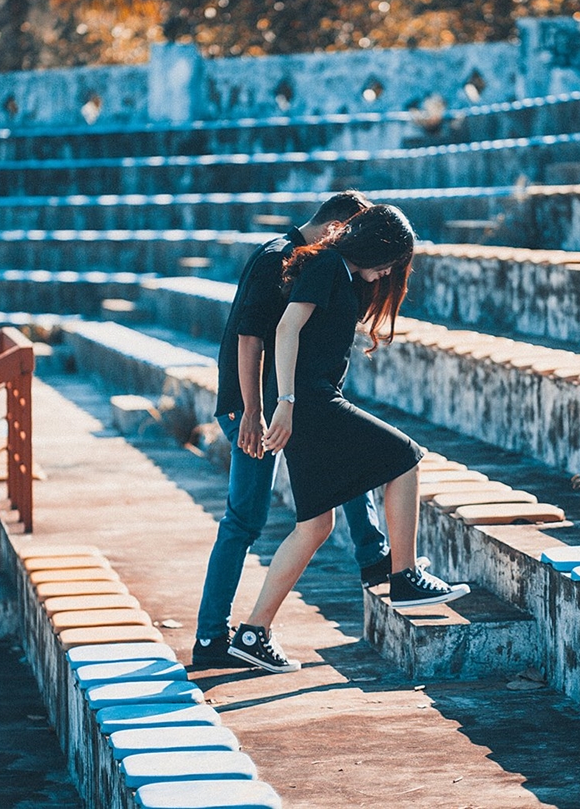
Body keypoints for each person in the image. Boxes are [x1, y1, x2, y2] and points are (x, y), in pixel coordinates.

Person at [226, 204, 468, 673]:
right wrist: (287, 402)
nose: (387, 274)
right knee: (404, 456)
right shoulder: (326, 266)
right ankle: (404, 576)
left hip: (310, 403)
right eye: (390, 262)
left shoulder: (337, 271)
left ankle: (253, 633)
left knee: (316, 527)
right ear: (374, 245)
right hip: (312, 403)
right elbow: (285, 329)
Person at [192, 190, 395, 667]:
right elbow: (249, 339)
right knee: (244, 519)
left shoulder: (312, 262)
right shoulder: (275, 259)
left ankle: (374, 558)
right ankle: (210, 640)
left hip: (286, 404)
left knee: (346, 458)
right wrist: (251, 412)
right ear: (335, 229)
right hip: (253, 409)